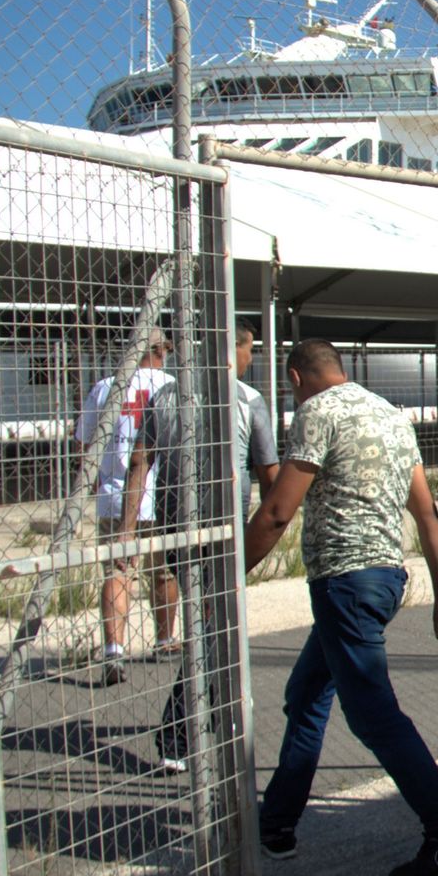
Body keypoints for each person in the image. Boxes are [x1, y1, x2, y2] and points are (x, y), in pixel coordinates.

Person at [242, 338, 438, 876]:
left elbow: (279, 510)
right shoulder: (392, 417)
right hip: (384, 580)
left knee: (373, 715)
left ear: (297, 378)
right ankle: (276, 825)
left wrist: (227, 575)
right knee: (307, 692)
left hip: (344, 584)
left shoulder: (315, 413)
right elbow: (427, 514)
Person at [121, 322, 280, 772]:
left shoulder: (167, 396)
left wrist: (127, 531)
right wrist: (266, 532)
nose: (252, 359)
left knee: (209, 624)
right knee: (214, 628)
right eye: (250, 350)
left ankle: (209, 715)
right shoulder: (248, 400)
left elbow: (140, 464)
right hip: (226, 536)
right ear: (235, 352)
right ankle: (178, 728)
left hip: (176, 530)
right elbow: (271, 476)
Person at [73, 332, 177, 685]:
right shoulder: (173, 387)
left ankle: (114, 650)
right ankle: (165, 640)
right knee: (164, 572)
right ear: (163, 351)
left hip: (115, 496)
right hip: (164, 496)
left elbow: (85, 446)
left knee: (117, 573)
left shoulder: (106, 388)